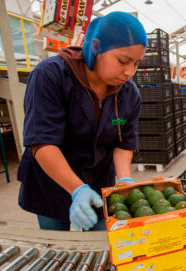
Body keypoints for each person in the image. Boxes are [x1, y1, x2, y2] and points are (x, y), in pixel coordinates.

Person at [17, 12, 148, 231]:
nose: (129, 72)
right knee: (58, 248)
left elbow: (123, 141)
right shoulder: (50, 75)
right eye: (123, 61)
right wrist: (77, 189)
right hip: (51, 181)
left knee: (100, 248)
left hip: (98, 182)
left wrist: (124, 178)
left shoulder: (129, 93)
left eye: (136, 63)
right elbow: (42, 142)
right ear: (96, 48)